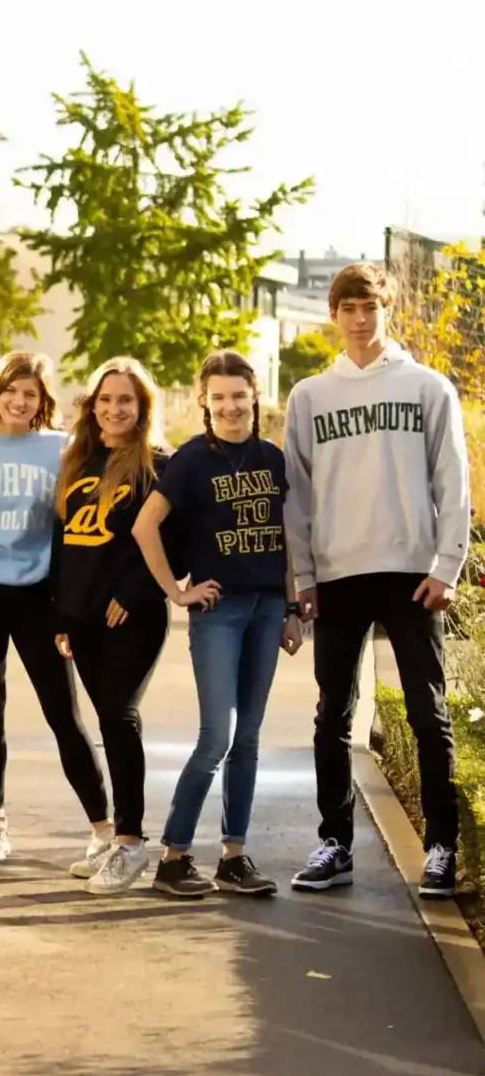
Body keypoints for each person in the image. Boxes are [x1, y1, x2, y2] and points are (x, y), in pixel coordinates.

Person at [284, 263, 470, 899]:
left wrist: (447, 565)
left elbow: (453, 481)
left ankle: (442, 848)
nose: (360, 320)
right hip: (337, 576)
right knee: (331, 715)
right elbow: (297, 496)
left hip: (413, 574)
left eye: (370, 308)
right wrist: (303, 575)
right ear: (332, 316)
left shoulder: (428, 387)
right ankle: (334, 843)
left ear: (386, 310)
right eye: (348, 309)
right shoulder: (310, 396)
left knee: (428, 712)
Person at [135, 351, 302, 898]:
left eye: (239, 395)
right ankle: (175, 857)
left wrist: (294, 607)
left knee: (249, 737)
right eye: (219, 397)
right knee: (216, 737)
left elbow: (289, 538)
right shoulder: (190, 461)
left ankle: (233, 857)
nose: (230, 406)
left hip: (268, 609)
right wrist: (176, 591)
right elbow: (145, 527)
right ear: (205, 402)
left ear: (255, 396)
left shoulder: (274, 458)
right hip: (219, 612)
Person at [0, 352, 111, 865]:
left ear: (42, 402)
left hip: (40, 597)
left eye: (31, 394)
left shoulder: (61, 450)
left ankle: (105, 829)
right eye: (12, 391)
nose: (19, 401)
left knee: (63, 712)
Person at [53, 358, 179, 894]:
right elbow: (63, 543)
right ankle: (116, 844)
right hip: (80, 615)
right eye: (105, 400)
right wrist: (61, 614)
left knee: (120, 717)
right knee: (106, 719)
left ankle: (130, 843)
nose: (114, 409)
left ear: (142, 406)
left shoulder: (160, 464)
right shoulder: (79, 459)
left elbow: (174, 540)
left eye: (125, 400)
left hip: (134, 613)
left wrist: (133, 591)